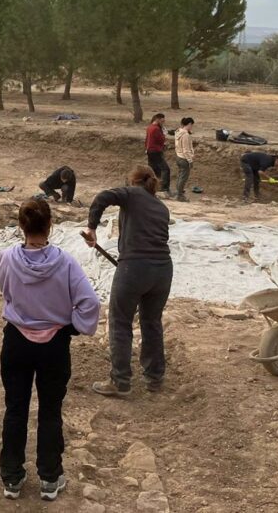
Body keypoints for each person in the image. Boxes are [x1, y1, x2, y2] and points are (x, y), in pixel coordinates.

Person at [0, 199, 100, 501]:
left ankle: (12, 478)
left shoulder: (6, 258)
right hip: (54, 344)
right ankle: (50, 478)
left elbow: (3, 287)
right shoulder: (65, 262)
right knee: (50, 411)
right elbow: (89, 302)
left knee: (15, 408)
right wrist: (73, 326)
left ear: (21, 226)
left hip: (16, 341)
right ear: (49, 225)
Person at [82, 165, 172, 397]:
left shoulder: (132, 193)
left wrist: (92, 228)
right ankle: (155, 377)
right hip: (162, 270)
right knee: (151, 321)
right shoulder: (161, 207)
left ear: (133, 180)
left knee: (120, 321)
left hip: (134, 267)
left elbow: (102, 197)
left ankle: (120, 381)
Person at [145, 113, 172, 198]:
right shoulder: (156, 129)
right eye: (162, 121)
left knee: (153, 170)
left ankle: (150, 187)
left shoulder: (149, 127)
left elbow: (147, 140)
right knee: (165, 169)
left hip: (150, 151)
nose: (163, 122)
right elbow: (161, 140)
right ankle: (164, 189)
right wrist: (164, 134)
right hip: (156, 151)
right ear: (157, 119)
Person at [173, 117, 195, 202]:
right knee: (183, 177)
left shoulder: (178, 132)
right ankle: (180, 195)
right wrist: (190, 160)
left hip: (178, 156)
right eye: (191, 125)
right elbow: (186, 150)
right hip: (184, 158)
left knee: (180, 176)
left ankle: (178, 192)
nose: (192, 127)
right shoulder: (185, 135)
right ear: (189, 124)